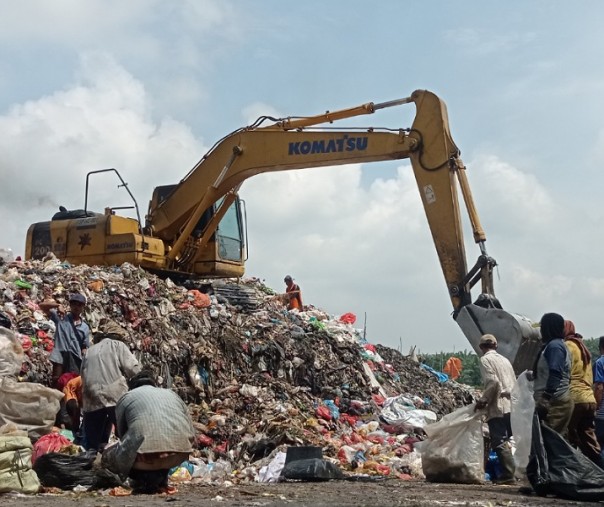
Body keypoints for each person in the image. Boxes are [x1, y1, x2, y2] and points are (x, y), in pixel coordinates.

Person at [101, 371, 196, 494]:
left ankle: (145, 479)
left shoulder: (126, 397)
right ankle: (160, 478)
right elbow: (190, 429)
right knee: (158, 444)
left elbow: (121, 433)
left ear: (132, 386)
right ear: (154, 384)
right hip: (178, 456)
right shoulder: (171, 394)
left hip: (144, 460)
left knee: (108, 456)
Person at [81, 319, 141, 453]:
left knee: (92, 442)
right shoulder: (118, 345)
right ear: (116, 336)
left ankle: (91, 462)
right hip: (114, 393)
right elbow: (133, 369)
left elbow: (82, 375)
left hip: (90, 395)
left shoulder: (89, 351)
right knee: (125, 434)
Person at [474, 333, 517, 484]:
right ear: (496, 346)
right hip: (511, 405)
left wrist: (483, 400)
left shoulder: (485, 360)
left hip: (497, 405)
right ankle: (512, 471)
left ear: (481, 347)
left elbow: (493, 382)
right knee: (507, 439)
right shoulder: (505, 360)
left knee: (499, 440)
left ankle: (508, 474)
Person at [563, 320, 603, 466]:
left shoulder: (567, 346)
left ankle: (571, 471)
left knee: (568, 438)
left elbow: (562, 373)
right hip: (589, 399)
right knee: (590, 441)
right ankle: (600, 470)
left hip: (575, 398)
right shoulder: (582, 346)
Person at [533, 312, 573, 438]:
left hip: (555, 402)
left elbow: (555, 373)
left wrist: (545, 398)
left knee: (551, 443)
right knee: (553, 442)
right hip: (555, 401)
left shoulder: (555, 346)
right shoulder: (553, 345)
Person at [40, 293, 91, 387]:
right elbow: (42, 306)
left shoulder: (85, 327)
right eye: (74, 304)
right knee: (56, 381)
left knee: (71, 384)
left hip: (75, 358)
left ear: (83, 307)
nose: (76, 307)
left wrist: (85, 357)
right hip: (60, 354)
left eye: (79, 305)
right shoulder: (61, 318)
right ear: (70, 305)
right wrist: (58, 305)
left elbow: (84, 346)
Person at [592, 336, 604, 450]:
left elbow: (599, 388)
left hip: (602, 414)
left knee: (600, 444)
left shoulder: (600, 363)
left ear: (600, 347)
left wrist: (596, 408)